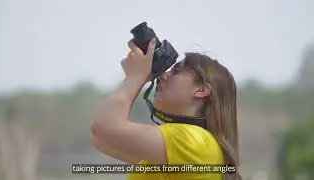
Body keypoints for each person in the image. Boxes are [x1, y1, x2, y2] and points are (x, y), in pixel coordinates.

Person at [90, 38, 241, 180]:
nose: (162, 75)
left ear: (201, 90)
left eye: (177, 70)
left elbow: (104, 131)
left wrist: (135, 77)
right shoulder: (191, 145)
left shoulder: (192, 141)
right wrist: (136, 77)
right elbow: (102, 140)